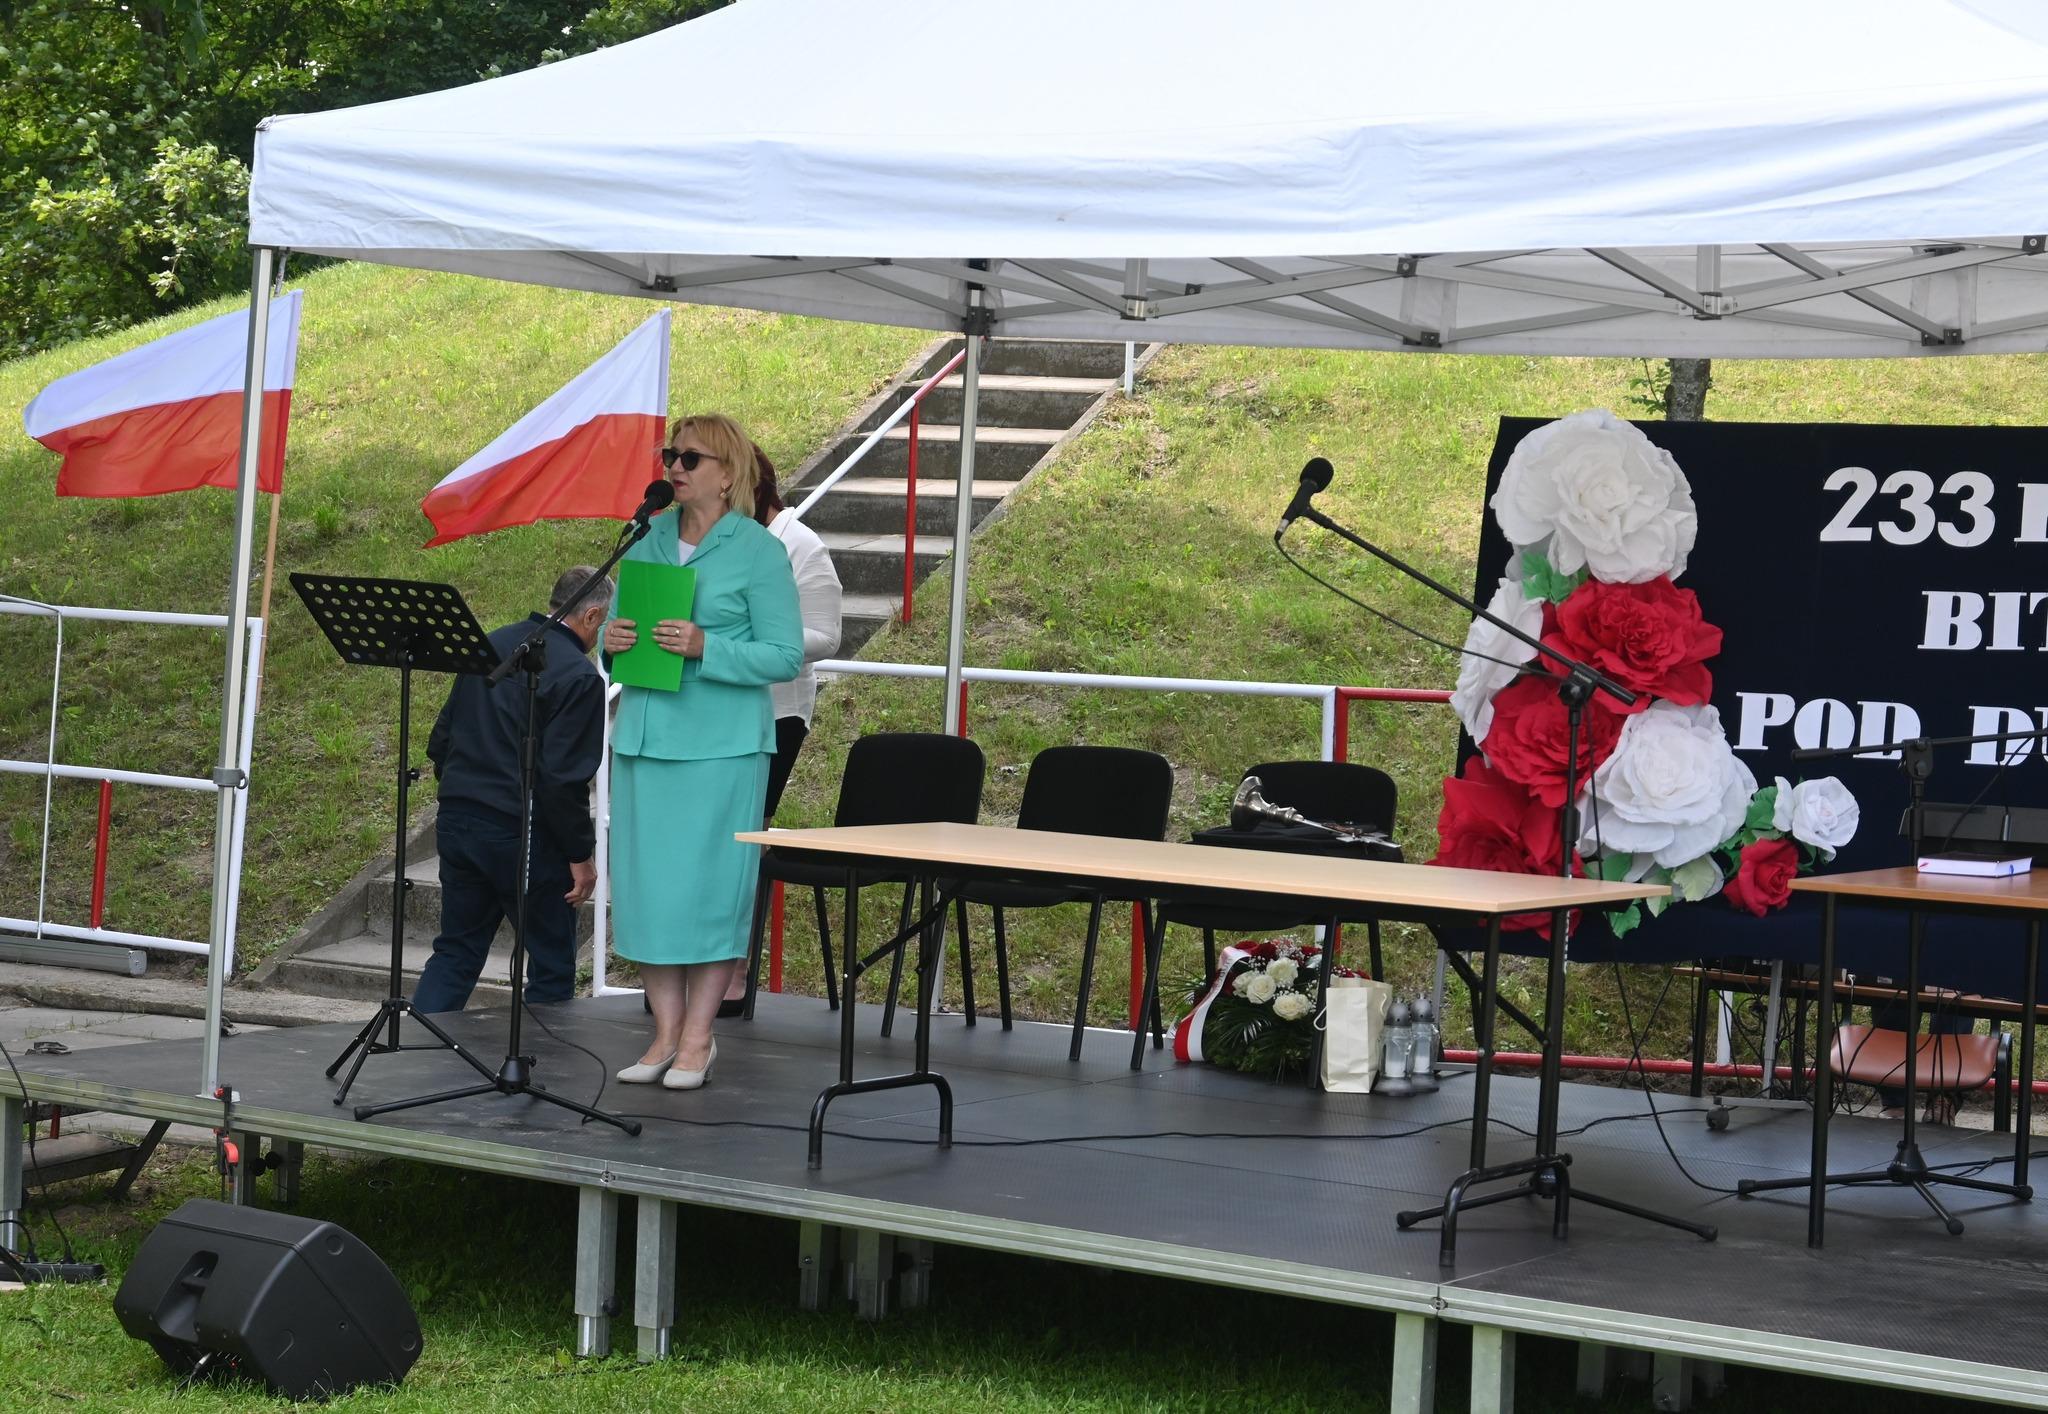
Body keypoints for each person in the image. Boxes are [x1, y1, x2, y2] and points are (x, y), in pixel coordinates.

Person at [605, 413, 802, 1089]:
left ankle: (698, 1037)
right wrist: (612, 641)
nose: (675, 467)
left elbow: (785, 654)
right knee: (650, 892)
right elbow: (613, 630)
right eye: (672, 455)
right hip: (645, 739)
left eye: (691, 458)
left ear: (727, 473)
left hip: (722, 747)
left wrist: (706, 646)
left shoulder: (758, 550)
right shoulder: (647, 538)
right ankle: (663, 1035)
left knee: (711, 892)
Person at [413, 566, 612, 1014]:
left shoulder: (492, 644)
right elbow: (562, 781)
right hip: (524, 833)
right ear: (591, 616)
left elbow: (441, 740)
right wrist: (580, 855)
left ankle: (414, 1045)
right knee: (551, 965)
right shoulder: (579, 676)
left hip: (459, 818)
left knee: (456, 951)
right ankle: (541, 1055)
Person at [717, 447, 843, 1014]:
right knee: (708, 840)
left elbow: (826, 635)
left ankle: (735, 967)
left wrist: (754, 642)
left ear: (752, 488)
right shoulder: (718, 542)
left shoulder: (801, 544)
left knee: (743, 840)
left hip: (776, 713)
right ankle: (697, 962)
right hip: (713, 709)